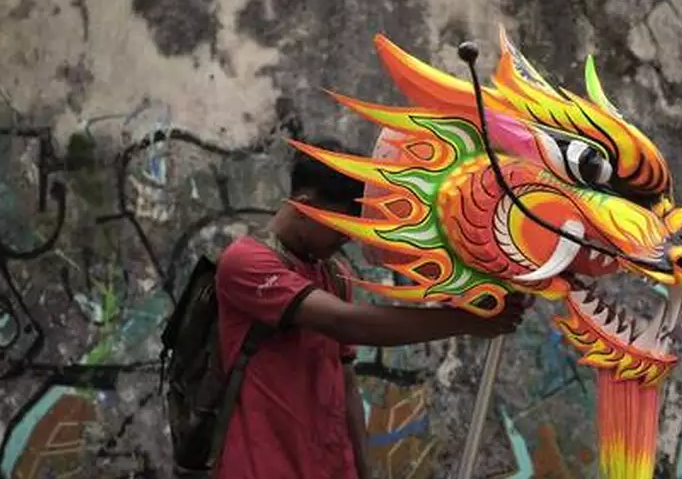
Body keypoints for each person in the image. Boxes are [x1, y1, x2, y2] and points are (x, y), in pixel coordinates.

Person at [213, 137, 530, 479]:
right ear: (305, 208)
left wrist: (362, 470)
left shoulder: (335, 275)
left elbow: (345, 386)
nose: (349, 238)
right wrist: (466, 321)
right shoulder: (246, 264)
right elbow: (347, 323)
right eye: (342, 227)